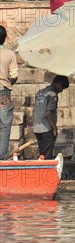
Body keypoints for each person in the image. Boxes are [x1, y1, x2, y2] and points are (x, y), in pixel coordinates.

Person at [33, 76, 70, 159]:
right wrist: (54, 128)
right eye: (62, 88)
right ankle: (45, 171)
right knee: (46, 157)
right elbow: (49, 113)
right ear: (58, 84)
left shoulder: (40, 92)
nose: (61, 90)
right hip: (47, 128)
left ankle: (41, 170)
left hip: (37, 127)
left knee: (42, 155)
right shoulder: (52, 94)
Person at [0, 26, 18, 159]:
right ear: (5, 38)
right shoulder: (9, 54)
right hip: (3, 92)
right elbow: (14, 75)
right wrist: (10, 81)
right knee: (4, 127)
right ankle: (1, 157)